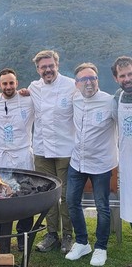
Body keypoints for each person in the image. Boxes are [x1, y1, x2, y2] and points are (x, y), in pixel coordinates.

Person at [65, 62, 118, 266]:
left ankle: (101, 248)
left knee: (102, 207)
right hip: (77, 161)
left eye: (92, 78)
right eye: (84, 79)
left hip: (102, 164)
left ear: (98, 80)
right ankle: (82, 242)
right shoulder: (74, 98)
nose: (89, 82)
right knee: (71, 202)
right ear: (76, 83)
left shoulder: (109, 101)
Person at [29, 50, 75, 254]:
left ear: (57, 65)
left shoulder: (71, 85)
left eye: (50, 66)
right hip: (41, 149)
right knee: (47, 194)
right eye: (43, 67)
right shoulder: (33, 87)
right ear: (38, 69)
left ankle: (68, 235)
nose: (47, 70)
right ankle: (51, 234)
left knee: (65, 195)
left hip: (66, 148)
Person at [0, 68, 34, 251]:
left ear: (17, 83)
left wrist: (31, 91)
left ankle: (23, 235)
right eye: (4, 83)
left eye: (11, 83)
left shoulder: (28, 100)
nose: (8, 86)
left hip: (22, 154)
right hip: (0, 155)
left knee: (25, 194)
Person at [111, 56, 132, 227]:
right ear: (116, 78)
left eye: (130, 74)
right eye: (123, 76)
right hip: (128, 162)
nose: (127, 79)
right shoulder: (118, 97)